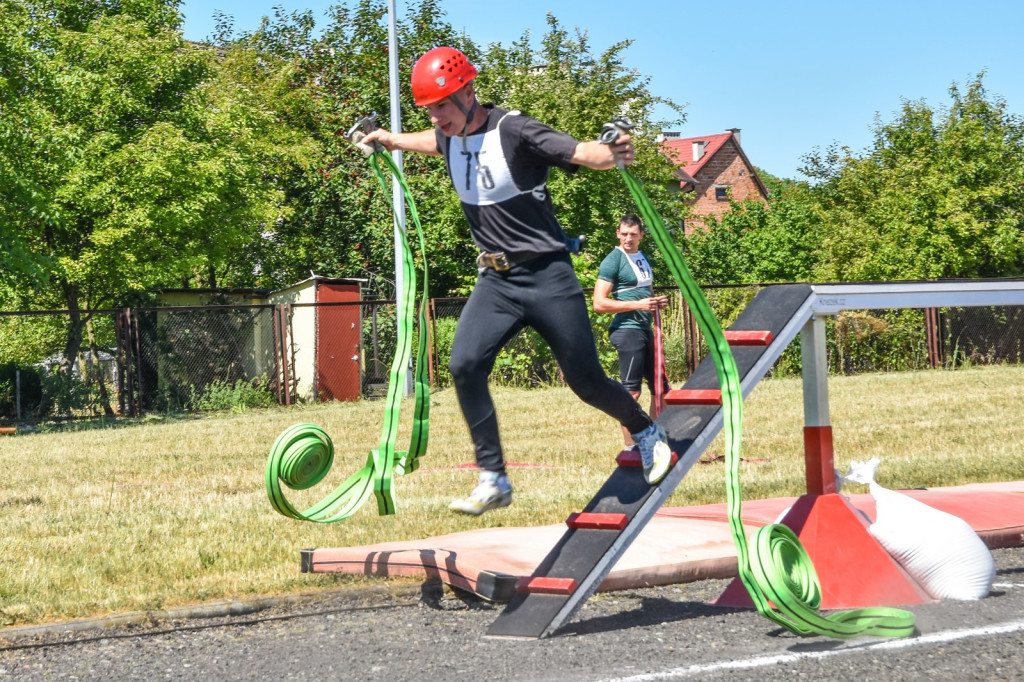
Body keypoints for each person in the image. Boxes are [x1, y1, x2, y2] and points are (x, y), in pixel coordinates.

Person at [361, 46, 671, 515]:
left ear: (467, 93)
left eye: (442, 106)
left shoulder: (514, 129)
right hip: (496, 281)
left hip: (547, 275)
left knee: (585, 380)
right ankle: (494, 478)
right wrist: (389, 138)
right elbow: (431, 140)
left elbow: (584, 153)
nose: (437, 118)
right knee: (464, 365)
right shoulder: (449, 135)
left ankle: (647, 432)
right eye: (430, 110)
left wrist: (614, 151)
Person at [593, 214, 670, 451]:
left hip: (646, 329)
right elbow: (599, 303)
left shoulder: (642, 257)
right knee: (631, 392)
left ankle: (655, 440)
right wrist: (638, 305)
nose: (628, 238)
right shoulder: (613, 260)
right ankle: (631, 447)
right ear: (617, 233)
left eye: (633, 234)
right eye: (624, 234)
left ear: (641, 236)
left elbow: (645, 291)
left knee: (661, 390)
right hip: (627, 331)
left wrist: (657, 302)